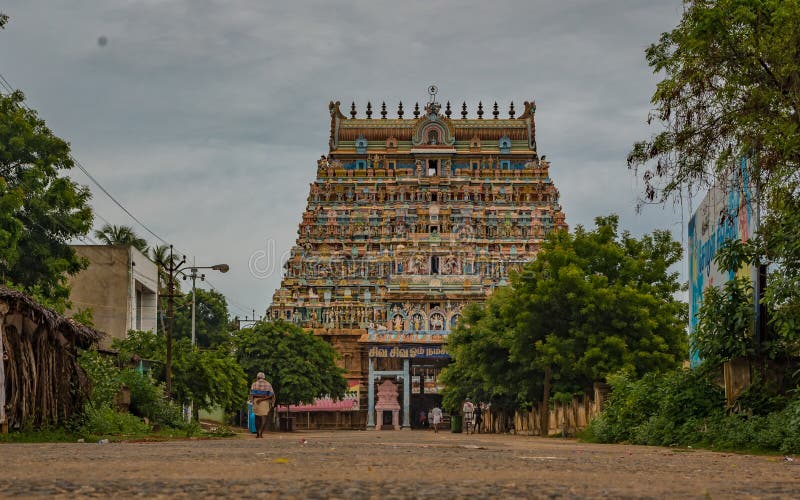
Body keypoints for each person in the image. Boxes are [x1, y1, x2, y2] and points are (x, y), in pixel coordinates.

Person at [250, 372, 275, 438]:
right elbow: (271, 395)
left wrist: (255, 401)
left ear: (257, 377)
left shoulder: (254, 384)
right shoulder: (268, 384)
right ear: (264, 377)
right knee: (264, 418)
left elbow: (252, 394)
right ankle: (261, 434)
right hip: (265, 401)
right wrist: (263, 399)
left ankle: (257, 434)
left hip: (257, 401)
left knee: (257, 417)